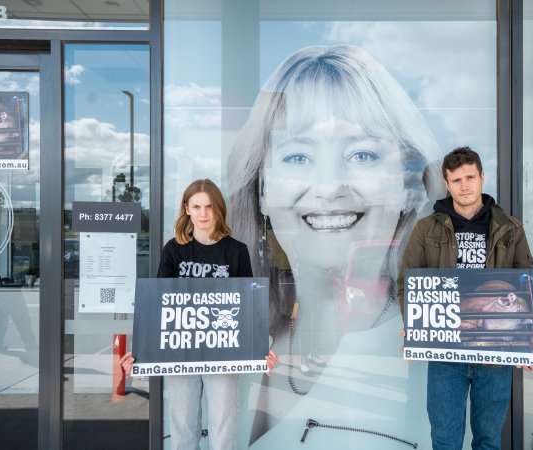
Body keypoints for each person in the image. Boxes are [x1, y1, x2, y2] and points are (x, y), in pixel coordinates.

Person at [228, 45, 445, 448]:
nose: (330, 186)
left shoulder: (436, 354)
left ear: (407, 186)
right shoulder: (235, 337)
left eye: (362, 154)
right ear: (260, 190)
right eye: (297, 157)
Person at [397, 147, 533, 450]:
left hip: (495, 354)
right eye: (457, 179)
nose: (465, 185)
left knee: (488, 442)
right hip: (445, 354)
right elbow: (407, 284)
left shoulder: (510, 228)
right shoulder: (426, 228)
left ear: (482, 178)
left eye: (470, 177)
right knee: (445, 441)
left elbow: (526, 283)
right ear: (447, 185)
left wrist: (532, 341)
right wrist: (415, 324)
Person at [120, 179, 278, 450]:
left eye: (209, 206)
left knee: (223, 425)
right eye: (197, 206)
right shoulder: (173, 249)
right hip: (181, 353)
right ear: (187, 209)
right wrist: (140, 352)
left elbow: (247, 307)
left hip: (224, 353)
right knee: (182, 427)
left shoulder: (236, 251)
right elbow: (159, 306)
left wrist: (261, 349)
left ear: (218, 210)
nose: (203, 213)